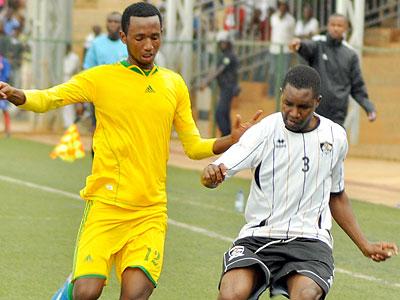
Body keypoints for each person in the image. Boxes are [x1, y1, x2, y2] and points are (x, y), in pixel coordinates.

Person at [0, 3, 261, 299]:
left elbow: (193, 146)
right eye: (140, 38)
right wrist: (19, 95)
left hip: (149, 211)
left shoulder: (174, 84)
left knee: (135, 294)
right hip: (106, 206)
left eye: (155, 36)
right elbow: (51, 98)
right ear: (124, 37)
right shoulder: (100, 79)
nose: (149, 45)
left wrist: (231, 139)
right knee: (87, 292)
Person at [201, 65, 398, 300]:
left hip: (311, 242)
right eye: (288, 103)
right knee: (231, 295)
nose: (293, 112)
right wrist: (210, 175)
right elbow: (216, 173)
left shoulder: (335, 137)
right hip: (258, 236)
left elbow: (336, 195)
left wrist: (365, 245)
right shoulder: (263, 131)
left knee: (305, 296)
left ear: (317, 102)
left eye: (303, 107)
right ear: (282, 94)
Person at [289, 13, 376, 126]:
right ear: (328, 26)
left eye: (339, 25)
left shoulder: (350, 55)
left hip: (337, 114)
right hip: (315, 110)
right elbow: (307, 47)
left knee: (335, 142)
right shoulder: (319, 44)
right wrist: (299, 45)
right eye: (332, 25)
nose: (335, 28)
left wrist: (369, 108)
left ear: (345, 28)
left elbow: (357, 86)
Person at [201, 30, 240, 137]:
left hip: (229, 87)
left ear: (228, 43)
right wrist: (206, 78)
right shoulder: (223, 56)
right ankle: (227, 137)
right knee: (224, 113)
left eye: (224, 42)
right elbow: (215, 68)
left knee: (220, 112)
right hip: (224, 87)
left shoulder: (229, 56)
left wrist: (206, 81)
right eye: (221, 43)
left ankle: (226, 135)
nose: (222, 45)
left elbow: (219, 70)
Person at [268, 0, 295, 98]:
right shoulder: (273, 17)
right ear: (278, 6)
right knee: (272, 72)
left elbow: (292, 34)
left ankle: (282, 93)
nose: (282, 7)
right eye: (281, 5)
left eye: (284, 6)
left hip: (286, 51)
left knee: (284, 73)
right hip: (274, 49)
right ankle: (271, 92)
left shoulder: (291, 19)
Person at [61, 43, 80, 129]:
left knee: (70, 103)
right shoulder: (61, 57)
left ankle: (70, 123)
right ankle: (66, 123)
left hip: (70, 79)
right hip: (62, 78)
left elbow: (73, 69)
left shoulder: (74, 57)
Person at [0, 54, 10, 137]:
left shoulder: (5, 62)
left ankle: (7, 130)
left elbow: (7, 75)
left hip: (2, 88)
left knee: (5, 110)